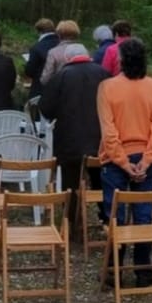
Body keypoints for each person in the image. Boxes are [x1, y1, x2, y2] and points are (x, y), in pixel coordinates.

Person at [95, 37, 152, 287]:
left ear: (122, 60)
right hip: (144, 157)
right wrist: (146, 162)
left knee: (114, 215)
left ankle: (114, 270)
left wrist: (124, 163)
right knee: (144, 215)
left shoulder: (107, 88)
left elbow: (109, 131)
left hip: (117, 159)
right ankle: (142, 270)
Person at [38, 42, 110, 201]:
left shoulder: (60, 77)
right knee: (101, 177)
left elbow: (45, 107)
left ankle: (70, 218)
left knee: (71, 181)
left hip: (69, 139)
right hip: (101, 138)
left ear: (66, 58)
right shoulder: (104, 74)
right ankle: (106, 215)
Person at [23, 18, 60, 99]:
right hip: (60, 88)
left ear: (39, 31)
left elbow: (29, 71)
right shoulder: (61, 44)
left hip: (41, 89)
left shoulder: (37, 48)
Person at [38, 20, 83, 85]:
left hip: (60, 89)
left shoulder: (53, 52)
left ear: (59, 34)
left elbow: (45, 79)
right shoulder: (83, 50)